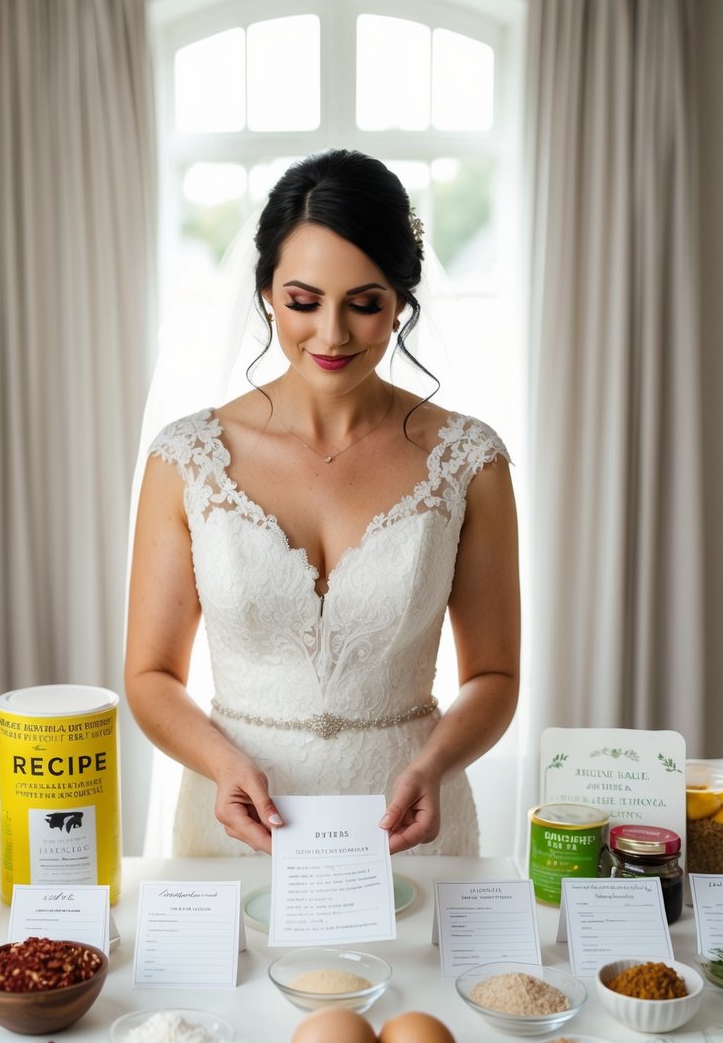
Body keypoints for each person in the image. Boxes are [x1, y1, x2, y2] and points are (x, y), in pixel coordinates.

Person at [125, 149, 519, 857]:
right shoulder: (185, 458)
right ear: (268, 293)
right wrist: (220, 763)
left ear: (400, 298)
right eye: (303, 302)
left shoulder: (468, 459)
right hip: (236, 824)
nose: (332, 335)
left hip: (410, 827)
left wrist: (432, 766)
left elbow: (493, 675)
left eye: (364, 304)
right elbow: (150, 675)